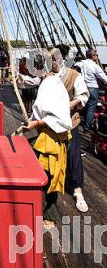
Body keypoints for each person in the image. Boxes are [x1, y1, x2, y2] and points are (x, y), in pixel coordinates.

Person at [24, 73, 72, 229]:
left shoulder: (52, 84)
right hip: (44, 137)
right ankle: (38, 210)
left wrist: (36, 122)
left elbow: (60, 119)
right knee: (43, 175)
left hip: (52, 140)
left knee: (49, 177)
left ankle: (48, 215)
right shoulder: (48, 81)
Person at [51, 45, 89, 213]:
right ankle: (51, 185)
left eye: (52, 58)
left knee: (73, 154)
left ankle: (77, 190)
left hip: (69, 121)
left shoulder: (74, 75)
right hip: (51, 123)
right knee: (50, 153)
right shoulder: (48, 76)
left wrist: (68, 104)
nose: (49, 61)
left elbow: (83, 95)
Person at [75, 49, 107, 132]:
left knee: (84, 106)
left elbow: (74, 70)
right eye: (96, 55)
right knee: (91, 107)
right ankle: (87, 127)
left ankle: (84, 121)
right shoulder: (95, 66)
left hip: (83, 88)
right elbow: (103, 77)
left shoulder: (80, 63)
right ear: (93, 56)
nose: (97, 57)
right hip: (93, 88)